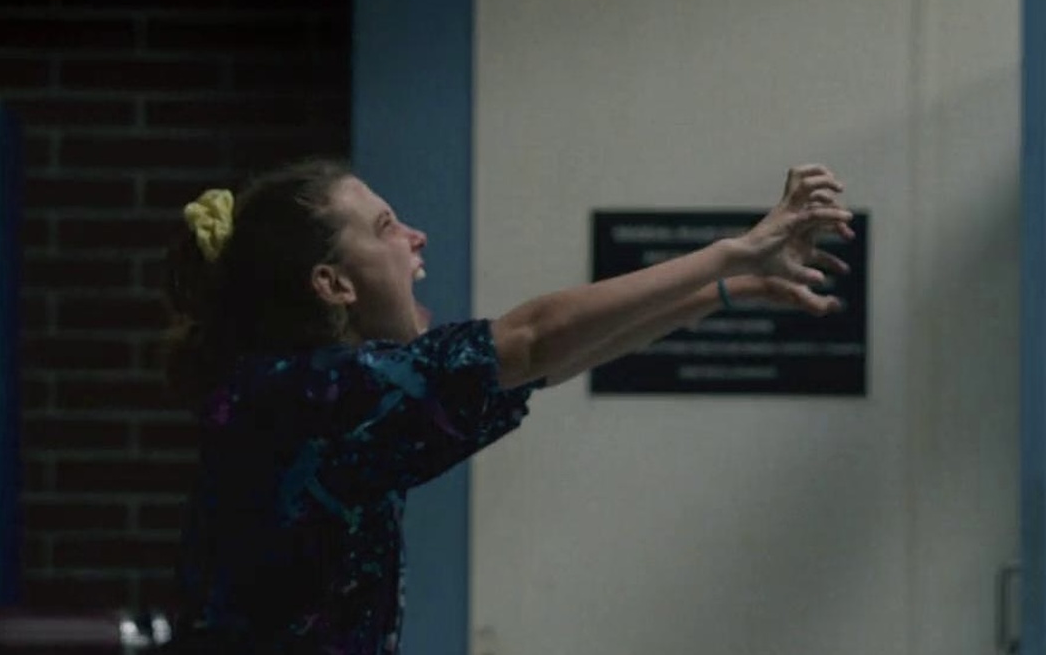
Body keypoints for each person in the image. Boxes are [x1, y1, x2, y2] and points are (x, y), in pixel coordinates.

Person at [161, 159, 853, 653]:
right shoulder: (301, 395)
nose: (414, 236)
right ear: (332, 283)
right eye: (385, 226)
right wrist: (734, 253)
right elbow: (530, 341)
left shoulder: (322, 392)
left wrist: (724, 291)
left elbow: (542, 364)